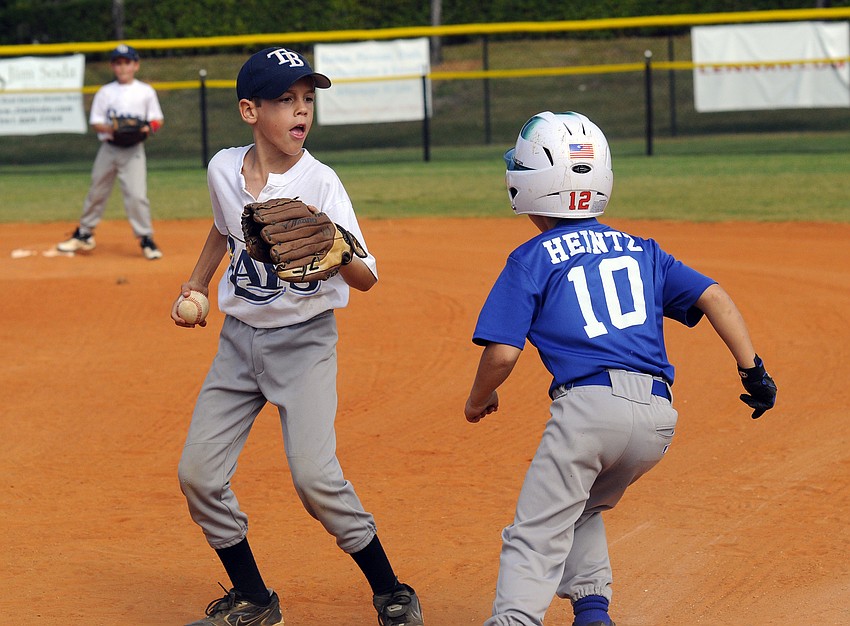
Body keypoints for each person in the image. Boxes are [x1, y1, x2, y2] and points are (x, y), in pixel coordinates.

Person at [464, 111, 777, 626]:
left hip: (588, 413)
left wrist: (478, 399)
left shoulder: (532, 257)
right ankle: (592, 612)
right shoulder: (643, 250)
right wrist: (753, 371)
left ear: (530, 183)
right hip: (657, 418)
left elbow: (501, 353)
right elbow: (715, 296)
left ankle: (513, 621)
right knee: (582, 507)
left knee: (536, 532)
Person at [171, 47, 424, 626]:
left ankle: (391, 590)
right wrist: (195, 284)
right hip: (238, 344)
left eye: (307, 99)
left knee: (315, 478)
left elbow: (368, 278)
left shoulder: (322, 181)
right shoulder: (221, 169)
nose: (300, 110)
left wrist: (335, 250)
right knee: (199, 476)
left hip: (305, 343)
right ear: (249, 111)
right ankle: (254, 599)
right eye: (285, 99)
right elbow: (222, 227)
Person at [57, 43, 164, 260]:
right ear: (112, 66)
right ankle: (85, 234)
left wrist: (144, 128)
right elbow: (96, 123)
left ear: (135, 65)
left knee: (136, 196)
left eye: (127, 62)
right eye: (118, 63)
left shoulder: (145, 91)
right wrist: (116, 128)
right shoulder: (105, 92)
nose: (122, 67)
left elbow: (157, 120)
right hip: (109, 148)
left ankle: (146, 239)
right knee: (97, 191)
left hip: (133, 150)